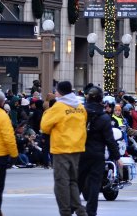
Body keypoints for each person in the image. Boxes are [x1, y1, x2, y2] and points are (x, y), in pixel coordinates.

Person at [40, 81, 87, 216]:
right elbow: (84, 122)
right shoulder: (79, 106)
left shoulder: (58, 107)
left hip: (61, 148)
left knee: (61, 183)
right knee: (72, 181)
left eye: (56, 90)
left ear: (59, 92)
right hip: (77, 147)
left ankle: (65, 212)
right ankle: (80, 211)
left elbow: (44, 126)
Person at [79, 87, 121, 216]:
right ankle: (91, 211)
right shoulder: (104, 117)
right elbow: (109, 139)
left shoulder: (80, 113)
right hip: (97, 154)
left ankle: (70, 208)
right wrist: (117, 157)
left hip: (80, 151)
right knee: (94, 184)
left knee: (77, 182)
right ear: (101, 99)